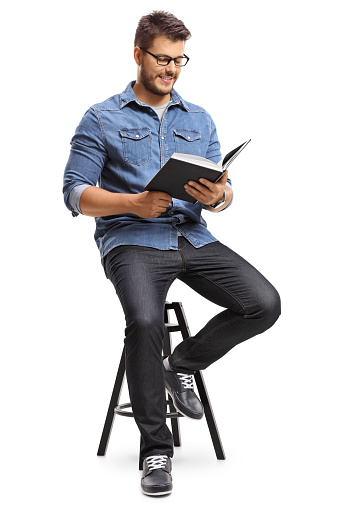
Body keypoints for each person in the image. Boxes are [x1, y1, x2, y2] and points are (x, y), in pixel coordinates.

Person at [63, 10, 281, 497]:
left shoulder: (198, 117)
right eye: (163, 59)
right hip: (130, 238)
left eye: (180, 60)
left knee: (264, 304)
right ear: (138, 54)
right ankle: (155, 451)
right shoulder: (101, 117)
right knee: (144, 322)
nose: (172, 70)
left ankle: (179, 365)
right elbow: (74, 193)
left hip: (190, 235)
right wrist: (133, 203)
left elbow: (224, 190)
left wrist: (219, 197)